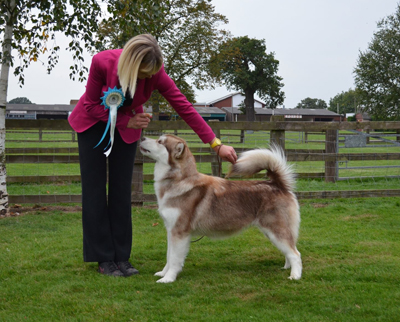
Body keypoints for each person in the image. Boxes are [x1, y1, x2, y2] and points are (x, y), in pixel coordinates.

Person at [68, 34, 238, 277]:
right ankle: (103, 258)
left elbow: (184, 106)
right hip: (92, 127)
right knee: (94, 191)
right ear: (132, 64)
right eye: (144, 74)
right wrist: (126, 119)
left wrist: (215, 143)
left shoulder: (156, 72)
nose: (149, 78)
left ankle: (121, 258)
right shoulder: (101, 62)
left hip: (128, 130)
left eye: (152, 74)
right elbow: (90, 105)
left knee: (121, 192)